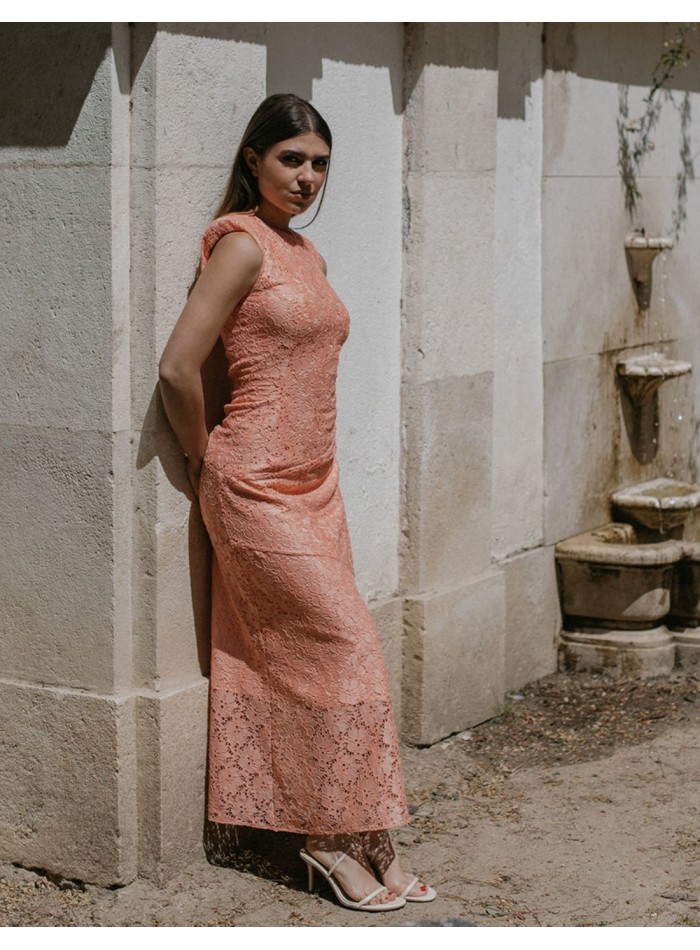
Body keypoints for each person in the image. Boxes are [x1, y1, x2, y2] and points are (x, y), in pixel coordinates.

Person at [158, 93, 436, 913]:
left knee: (323, 659)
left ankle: (364, 831)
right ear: (253, 159)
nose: (308, 176)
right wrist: (208, 461)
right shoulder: (241, 245)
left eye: (319, 163)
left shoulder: (304, 252)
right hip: (254, 484)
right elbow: (179, 368)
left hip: (319, 485)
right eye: (291, 159)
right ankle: (324, 839)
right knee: (347, 645)